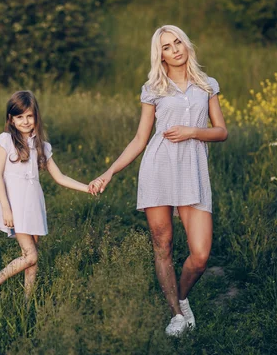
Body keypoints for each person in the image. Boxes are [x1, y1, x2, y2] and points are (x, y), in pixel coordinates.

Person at [90, 25, 228, 337]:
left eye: (178, 42)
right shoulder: (153, 88)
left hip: (193, 171)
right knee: (162, 245)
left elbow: (221, 131)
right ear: (160, 55)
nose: (175, 49)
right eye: (167, 46)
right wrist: (109, 173)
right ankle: (177, 315)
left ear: (186, 44)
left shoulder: (207, 85)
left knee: (201, 255)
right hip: (158, 168)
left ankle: (181, 296)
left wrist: (192, 131)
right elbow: (140, 139)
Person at [0, 90, 93, 306]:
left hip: (34, 204)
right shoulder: (6, 140)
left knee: (32, 255)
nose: (25, 121)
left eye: (29, 116)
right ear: (10, 118)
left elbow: (59, 177)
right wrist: (5, 207)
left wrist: (87, 188)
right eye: (19, 117)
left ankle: (27, 302)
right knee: (30, 256)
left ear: (36, 117)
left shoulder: (42, 146)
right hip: (14, 204)